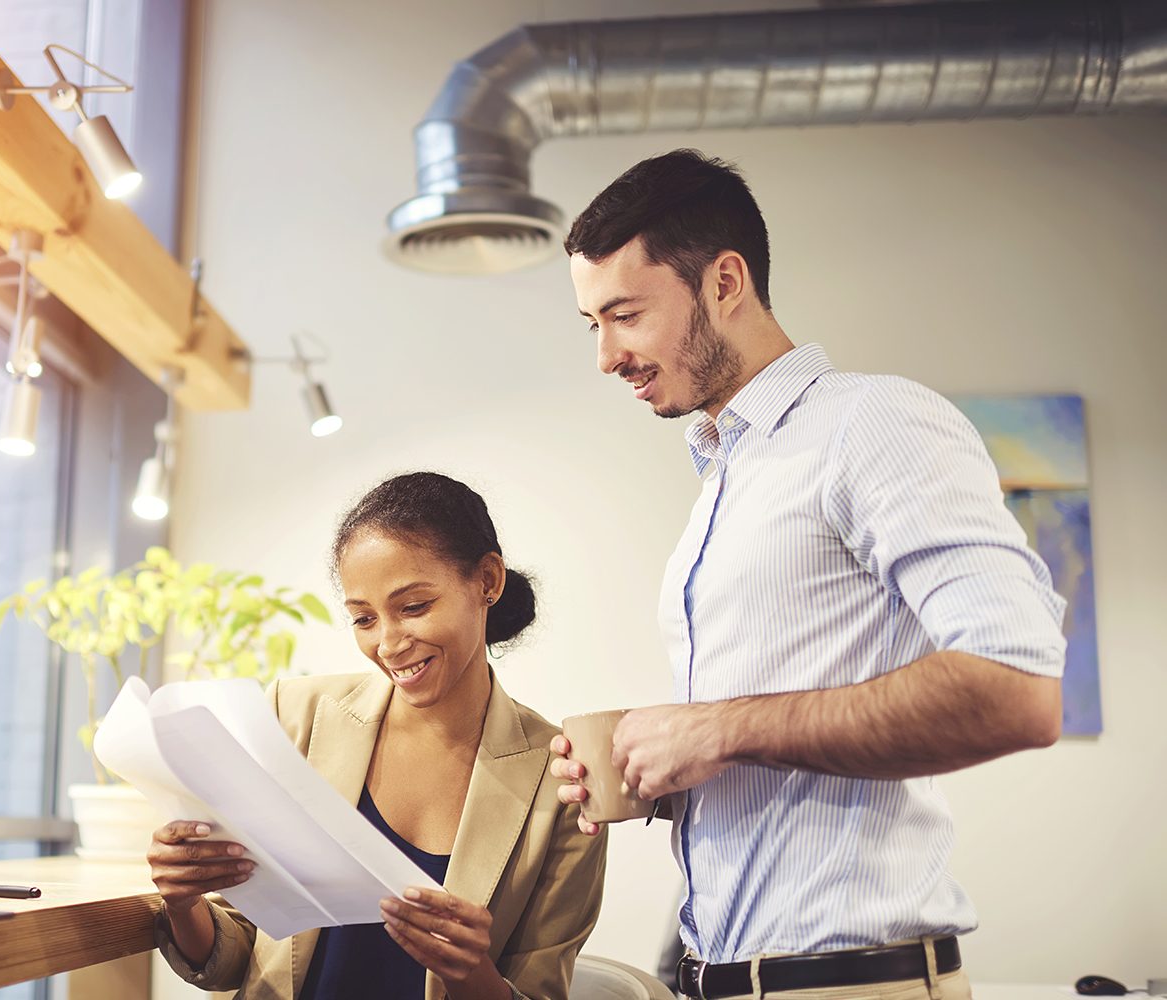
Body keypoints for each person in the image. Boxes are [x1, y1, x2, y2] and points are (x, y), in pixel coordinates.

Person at [551, 149, 1068, 1000]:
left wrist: (715, 731)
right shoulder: (727, 474)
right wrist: (662, 775)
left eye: (625, 315)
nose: (607, 356)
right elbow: (772, 744)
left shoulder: (871, 424)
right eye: (592, 325)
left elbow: (1019, 687)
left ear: (725, 282)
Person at [149, 471, 612, 1000]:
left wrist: (471, 971)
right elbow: (240, 956)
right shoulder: (294, 716)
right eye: (364, 619)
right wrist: (183, 903)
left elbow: (538, 990)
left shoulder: (562, 783)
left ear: (487, 580)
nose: (389, 644)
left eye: (413, 607)